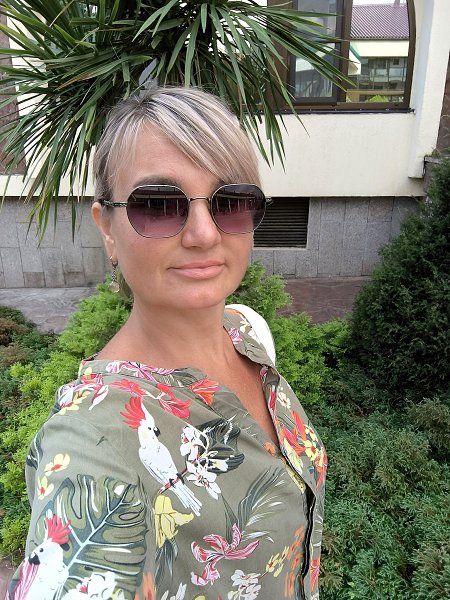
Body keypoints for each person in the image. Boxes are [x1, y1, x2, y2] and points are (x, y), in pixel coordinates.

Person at [7, 86, 327, 600]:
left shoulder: (247, 332)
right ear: (108, 230)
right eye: (158, 205)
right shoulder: (92, 443)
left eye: (230, 202)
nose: (204, 234)